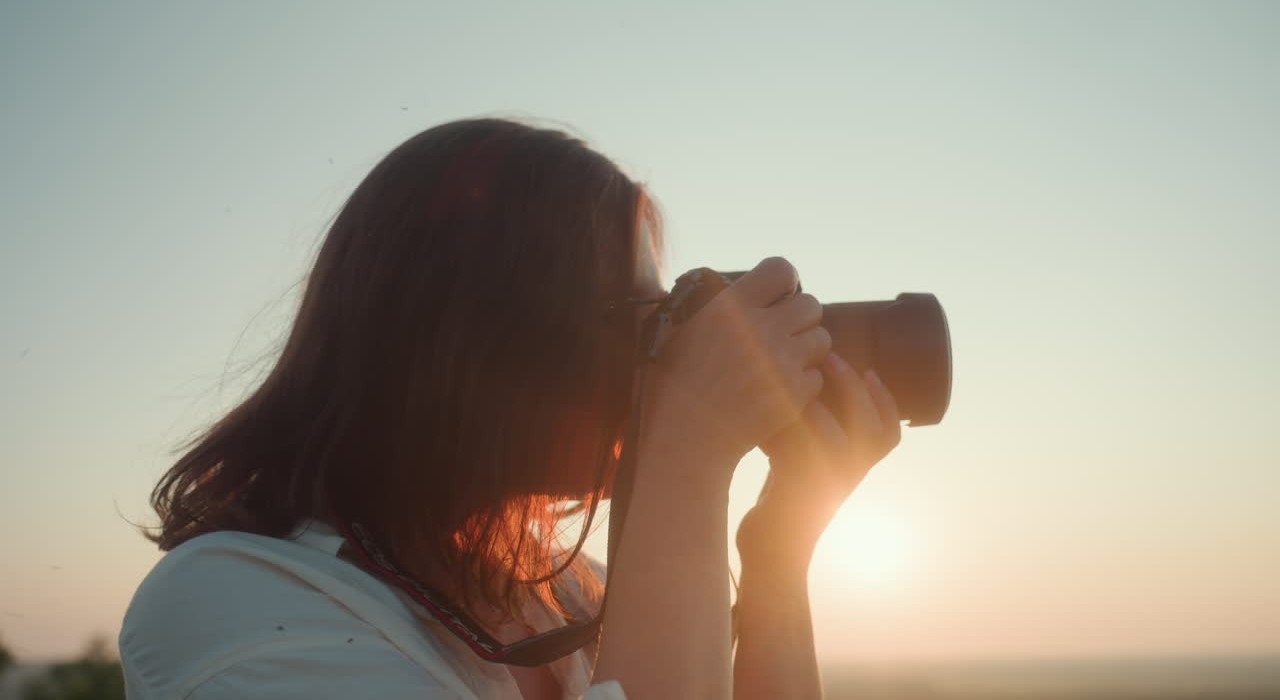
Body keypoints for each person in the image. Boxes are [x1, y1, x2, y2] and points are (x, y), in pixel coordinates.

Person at [118, 117, 902, 699]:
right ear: (481, 338)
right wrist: (692, 447)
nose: (664, 351)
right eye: (640, 310)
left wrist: (777, 562)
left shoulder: (565, 594)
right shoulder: (231, 604)